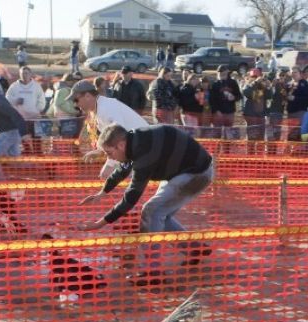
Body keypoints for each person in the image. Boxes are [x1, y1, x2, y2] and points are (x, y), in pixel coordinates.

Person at [74, 123, 214, 260]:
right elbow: (123, 168)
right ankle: (195, 249)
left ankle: (153, 271)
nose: (109, 158)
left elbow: (131, 197)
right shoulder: (134, 139)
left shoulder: (144, 155)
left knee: (152, 211)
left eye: (109, 153)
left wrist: (99, 224)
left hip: (196, 174)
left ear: (121, 145)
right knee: (159, 215)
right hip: (182, 171)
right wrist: (102, 192)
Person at [68, 79, 147, 179]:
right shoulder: (101, 108)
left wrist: (110, 165)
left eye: (76, 100)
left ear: (88, 96)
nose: (75, 104)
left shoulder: (106, 108)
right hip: (139, 150)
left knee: (125, 183)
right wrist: (99, 151)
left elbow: (118, 137)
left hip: (144, 150)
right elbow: (110, 137)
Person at [210, 65, 242, 138]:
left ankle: (226, 149)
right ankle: (216, 150)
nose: (221, 74)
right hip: (218, 113)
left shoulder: (233, 82)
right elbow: (212, 100)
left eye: (223, 72)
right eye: (220, 73)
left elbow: (239, 96)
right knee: (216, 134)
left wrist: (234, 97)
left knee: (228, 135)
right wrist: (216, 111)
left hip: (230, 112)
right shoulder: (215, 84)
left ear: (227, 72)